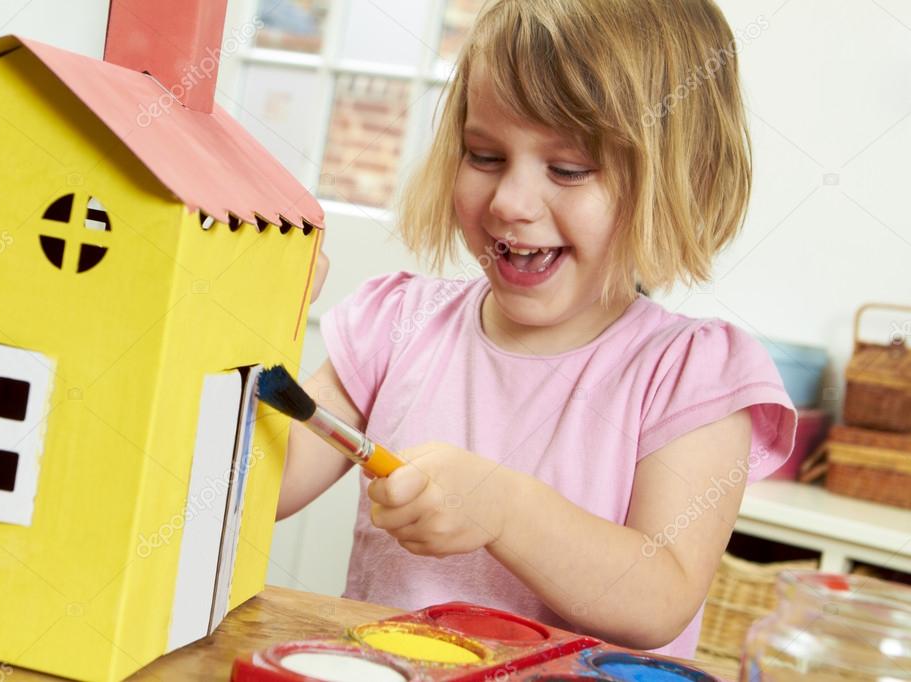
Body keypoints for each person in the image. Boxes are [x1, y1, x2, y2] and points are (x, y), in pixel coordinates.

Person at [278, 0, 796, 658]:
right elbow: (266, 485)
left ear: (679, 178)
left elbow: (658, 599)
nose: (509, 204)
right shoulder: (396, 324)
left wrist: (503, 509)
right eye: (484, 155)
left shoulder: (691, 375)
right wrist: (252, 318)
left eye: (568, 169)